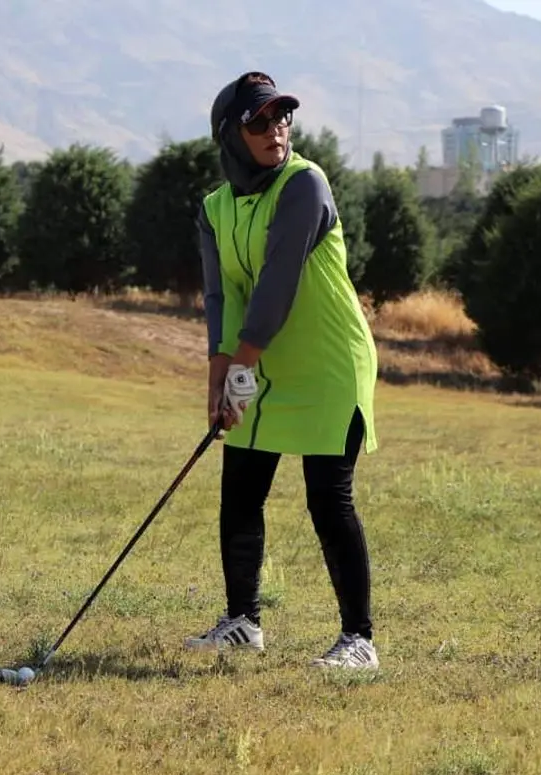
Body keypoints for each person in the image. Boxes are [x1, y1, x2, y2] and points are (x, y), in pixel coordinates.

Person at [182, 70, 380, 669]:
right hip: (262, 365)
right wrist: (220, 379)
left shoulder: (304, 185)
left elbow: (278, 280)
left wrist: (242, 365)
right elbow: (222, 296)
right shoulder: (215, 208)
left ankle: (359, 640)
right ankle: (242, 621)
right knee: (240, 489)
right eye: (260, 122)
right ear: (230, 136)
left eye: (282, 117)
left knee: (329, 498)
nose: (277, 130)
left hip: (327, 364)